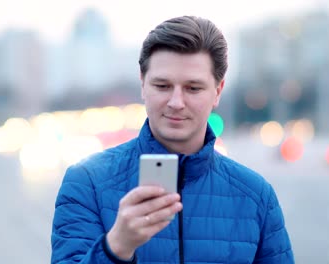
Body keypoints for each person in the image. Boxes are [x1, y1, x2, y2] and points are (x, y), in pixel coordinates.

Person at [51, 16, 294, 263]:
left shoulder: (256, 196)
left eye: (193, 88)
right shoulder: (87, 183)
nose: (176, 102)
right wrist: (117, 247)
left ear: (217, 91)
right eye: (163, 86)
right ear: (143, 84)